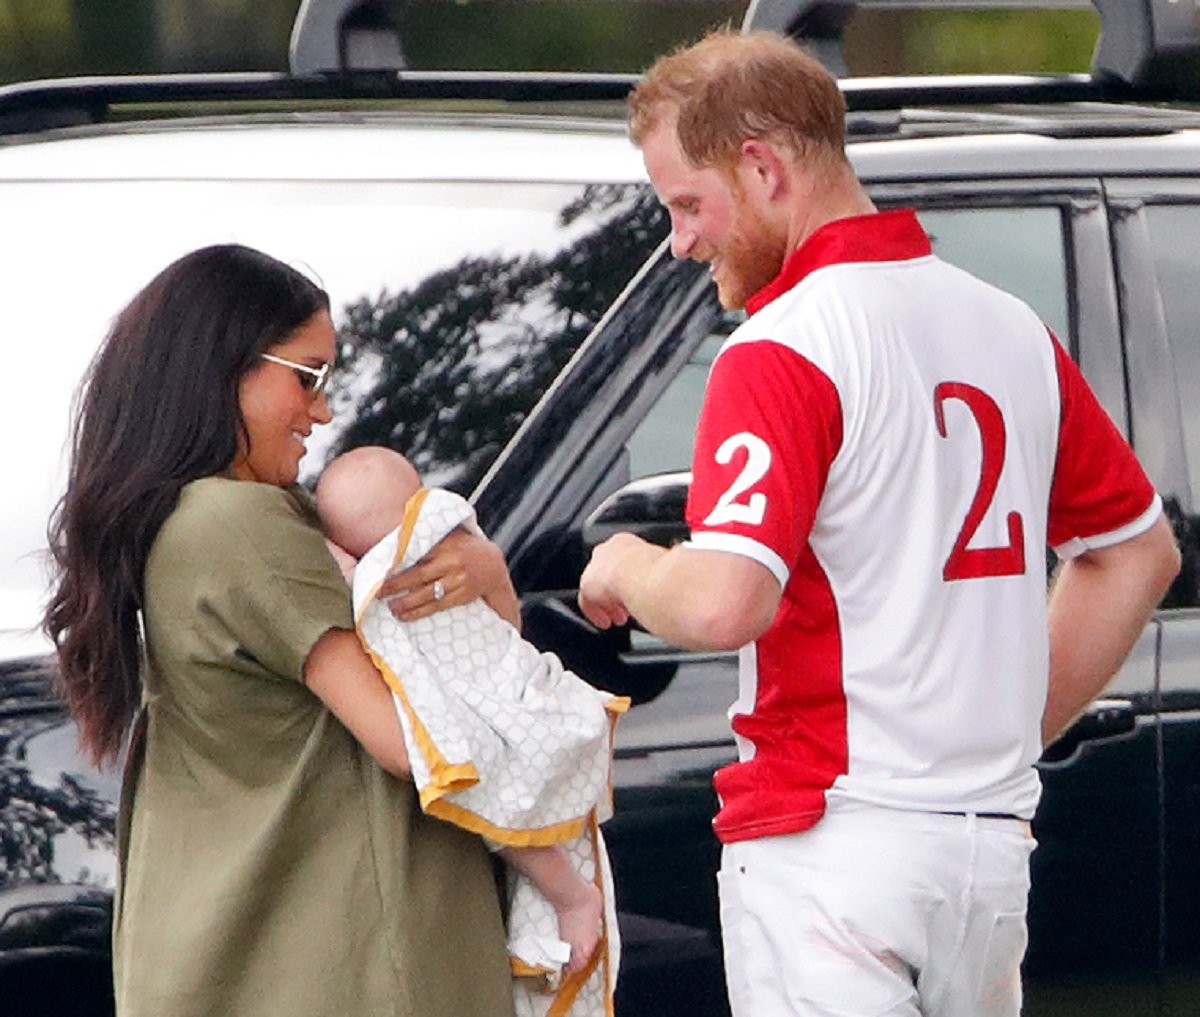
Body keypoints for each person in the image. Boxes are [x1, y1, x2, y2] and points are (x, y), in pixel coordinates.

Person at [577, 30, 1182, 1017]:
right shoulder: (1007, 325)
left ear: (763, 167)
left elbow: (729, 600)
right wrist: (997, 735)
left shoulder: (781, 343)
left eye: (689, 206)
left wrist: (626, 566)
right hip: (984, 856)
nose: (682, 241)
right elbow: (1136, 554)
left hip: (834, 849)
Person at [43, 244, 518, 1017]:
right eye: (308, 376)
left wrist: (483, 575)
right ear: (224, 366)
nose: (323, 411)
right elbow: (422, 741)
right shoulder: (242, 524)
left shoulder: (188, 522)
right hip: (343, 970)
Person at [315, 445, 623, 1017]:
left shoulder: (415, 566)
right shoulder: (440, 547)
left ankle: (572, 898)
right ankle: (572, 898)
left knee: (504, 803)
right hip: (509, 721)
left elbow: (491, 640)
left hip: (501, 721)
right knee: (510, 804)